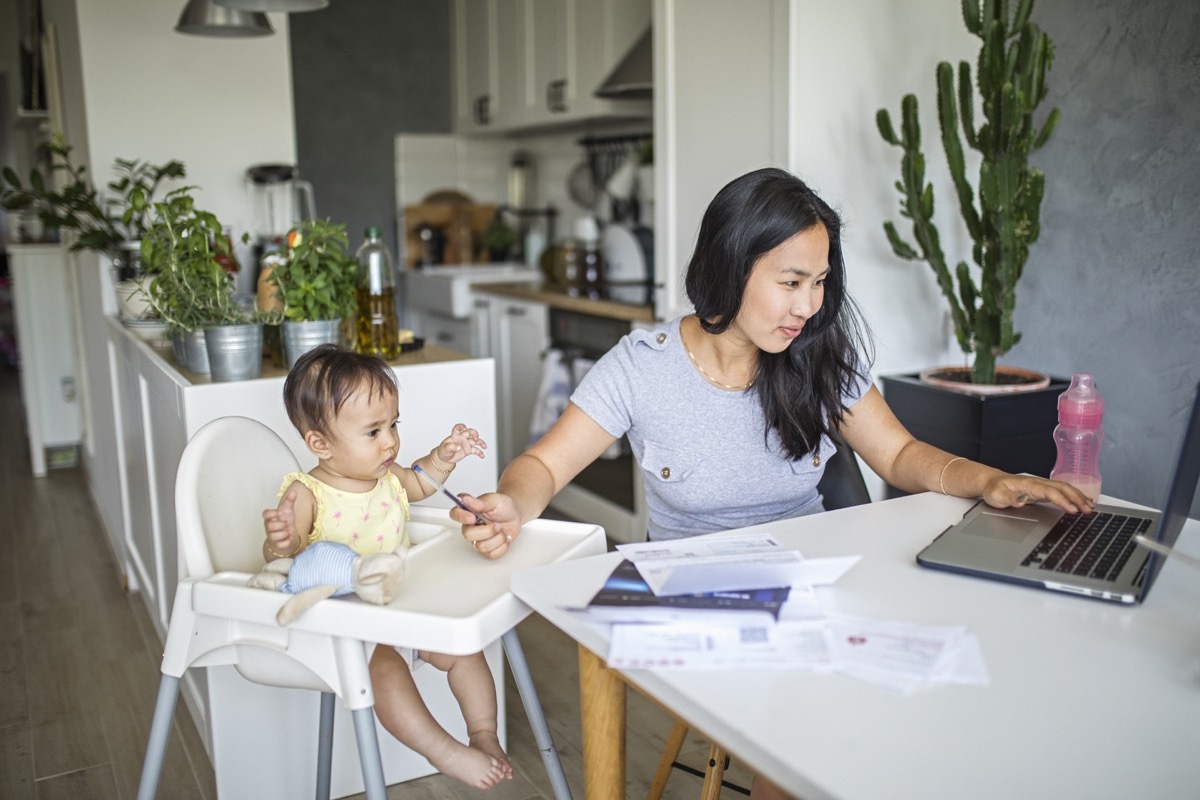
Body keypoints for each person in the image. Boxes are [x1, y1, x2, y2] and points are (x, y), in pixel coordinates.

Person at [450, 167, 1093, 799]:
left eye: (818, 283)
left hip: (807, 585)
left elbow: (898, 455)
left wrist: (991, 481)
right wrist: (512, 502)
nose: (808, 306)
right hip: (693, 593)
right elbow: (542, 466)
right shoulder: (641, 369)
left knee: (911, 692)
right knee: (802, 717)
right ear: (731, 268)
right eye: (790, 282)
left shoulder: (815, 356)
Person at [261, 343, 511, 790]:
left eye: (393, 424)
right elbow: (289, 558)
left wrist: (446, 455)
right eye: (373, 432)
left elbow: (421, 481)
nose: (391, 441)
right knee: (384, 670)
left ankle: (483, 734)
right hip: (345, 627)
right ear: (319, 442)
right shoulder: (306, 493)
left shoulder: (388, 477)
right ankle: (445, 751)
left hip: (401, 612)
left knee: (465, 650)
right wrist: (280, 540)